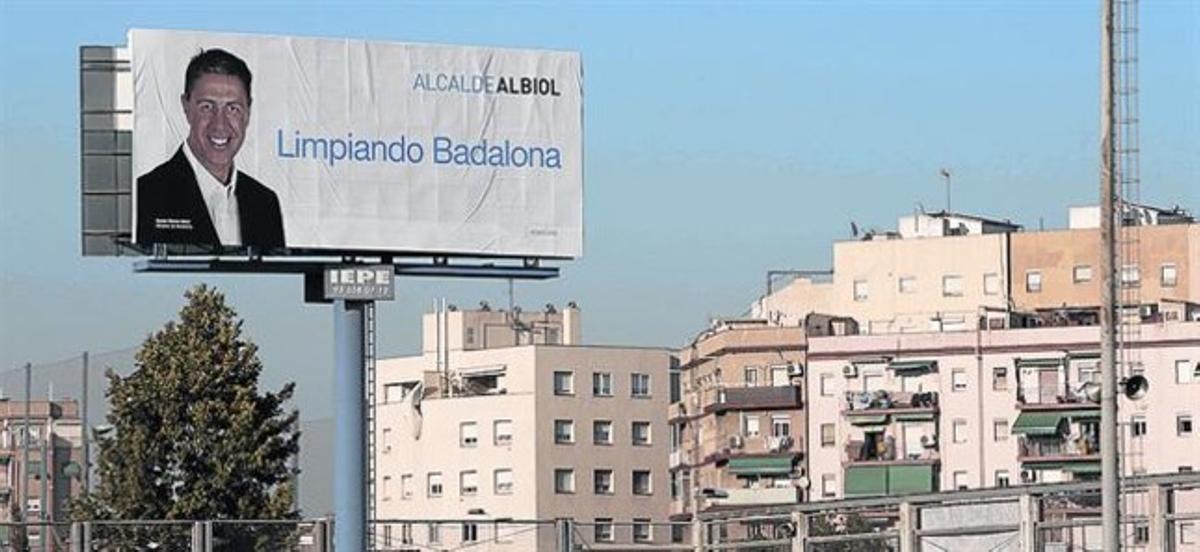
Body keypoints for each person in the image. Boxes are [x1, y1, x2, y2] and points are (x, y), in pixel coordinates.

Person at [136, 48, 284, 249]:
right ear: (185, 106)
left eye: (233, 108)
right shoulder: (147, 195)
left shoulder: (265, 203)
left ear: (248, 112)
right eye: (207, 107)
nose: (220, 125)